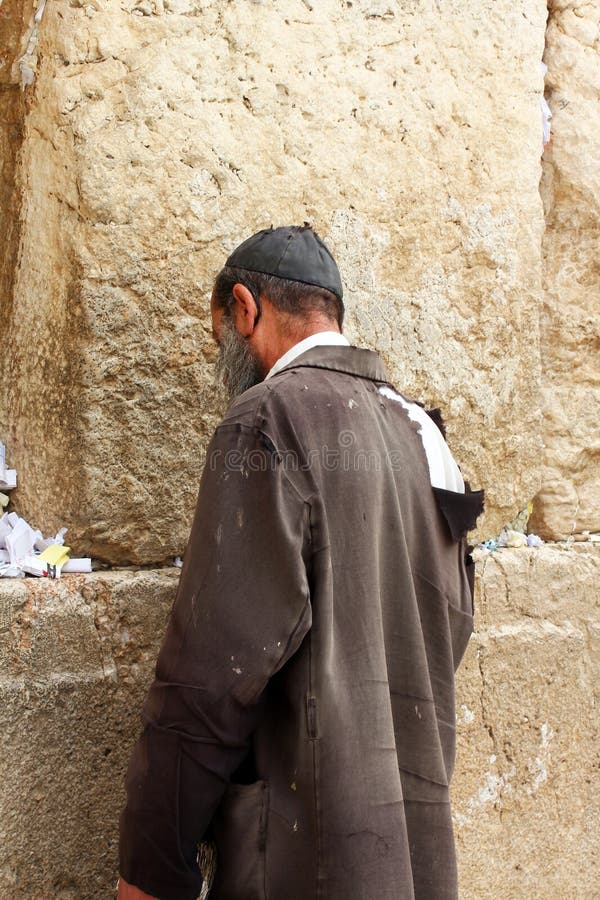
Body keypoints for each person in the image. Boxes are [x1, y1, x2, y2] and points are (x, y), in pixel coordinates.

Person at [118, 225, 484, 900]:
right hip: (412, 859)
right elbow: (445, 636)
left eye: (219, 333)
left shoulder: (265, 421)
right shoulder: (426, 436)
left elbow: (210, 674)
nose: (221, 356)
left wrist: (152, 865)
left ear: (245, 309)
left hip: (304, 858)